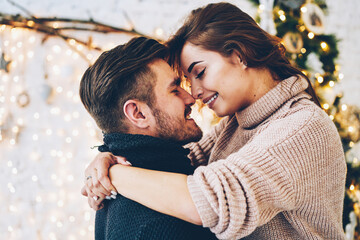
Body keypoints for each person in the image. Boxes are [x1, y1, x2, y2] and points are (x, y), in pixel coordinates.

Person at [82, 3, 347, 239]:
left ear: (239, 55)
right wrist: (107, 156)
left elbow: (210, 202)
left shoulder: (301, 127)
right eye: (185, 82)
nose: (194, 93)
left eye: (200, 72)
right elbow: (176, 164)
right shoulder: (236, 125)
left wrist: (115, 174)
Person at [79, 36, 216, 240]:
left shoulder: (131, 179)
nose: (191, 98)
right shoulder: (157, 227)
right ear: (138, 114)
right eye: (174, 90)